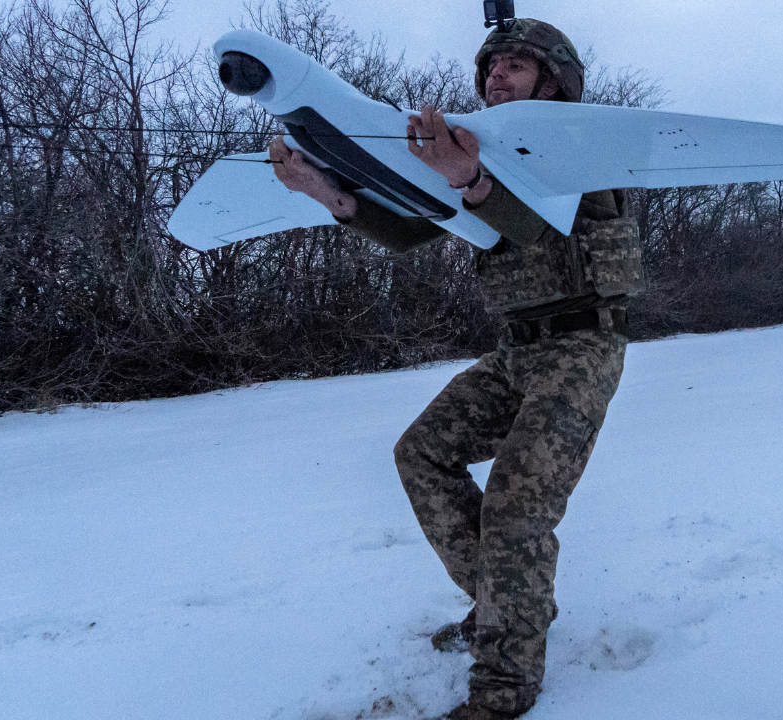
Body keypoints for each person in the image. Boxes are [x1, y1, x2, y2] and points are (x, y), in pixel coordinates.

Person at [268, 18, 643, 720]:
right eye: (491, 64)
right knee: (423, 453)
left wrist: (468, 176)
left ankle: (503, 686)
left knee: (517, 505)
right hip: (517, 349)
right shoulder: (475, 151)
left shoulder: (589, 148)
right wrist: (325, 192)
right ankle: (508, 605)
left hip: (583, 348)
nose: (496, 73)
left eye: (516, 65)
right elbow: (413, 226)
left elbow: (536, 223)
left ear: (554, 83)